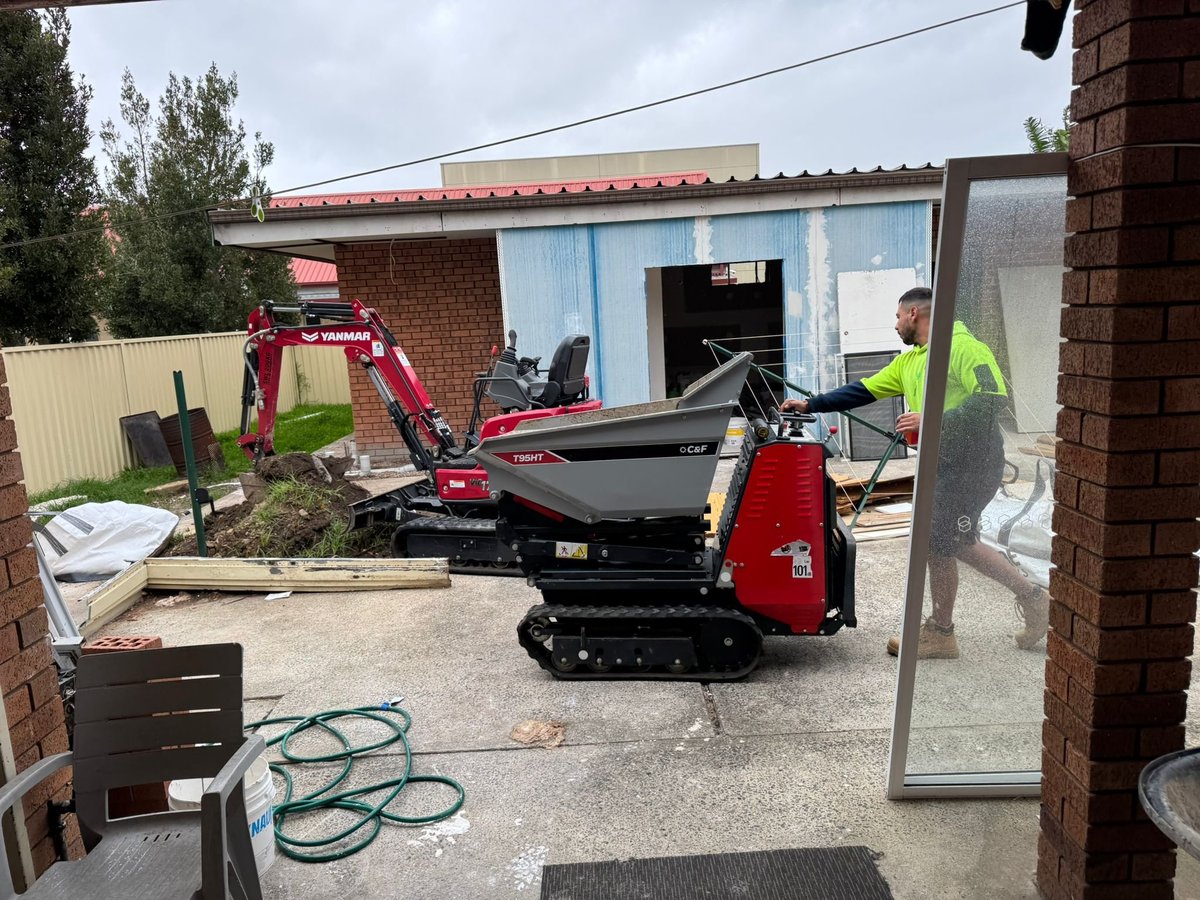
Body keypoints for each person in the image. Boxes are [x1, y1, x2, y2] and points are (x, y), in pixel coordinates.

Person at [781, 287, 1049, 659]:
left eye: (896, 317)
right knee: (948, 540)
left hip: (974, 463)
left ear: (913, 315)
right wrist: (812, 403)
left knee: (941, 541)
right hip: (942, 465)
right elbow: (863, 390)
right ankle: (1028, 599)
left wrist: (931, 419)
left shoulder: (964, 347)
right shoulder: (911, 361)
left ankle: (947, 629)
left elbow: (991, 401)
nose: (894, 325)